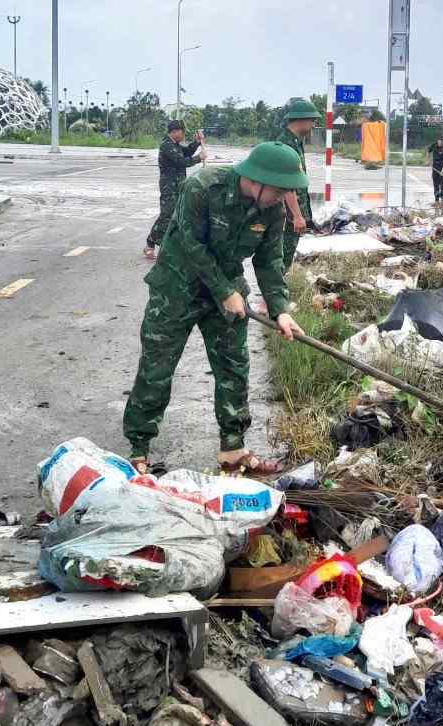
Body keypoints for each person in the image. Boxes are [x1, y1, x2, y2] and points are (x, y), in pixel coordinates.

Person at [123, 142, 307, 475]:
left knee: (234, 367)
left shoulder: (272, 209)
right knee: (157, 367)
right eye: (279, 190)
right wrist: (224, 291)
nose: (283, 198)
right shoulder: (203, 187)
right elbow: (193, 245)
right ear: (257, 180)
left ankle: (233, 449)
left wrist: (280, 309)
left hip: (227, 289)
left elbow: (269, 261)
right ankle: (138, 448)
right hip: (177, 286)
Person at [144, 120, 206, 260]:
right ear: (175, 132)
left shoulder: (175, 145)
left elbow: (186, 152)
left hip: (178, 185)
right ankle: (152, 244)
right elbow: (181, 161)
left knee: (176, 215)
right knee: (167, 214)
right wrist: (198, 158)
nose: (184, 135)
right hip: (169, 186)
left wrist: (196, 142)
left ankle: (158, 244)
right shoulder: (166, 145)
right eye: (182, 132)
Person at [276, 98, 320, 271]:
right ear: (301, 120)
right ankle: (272, 295)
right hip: (287, 216)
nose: (313, 125)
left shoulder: (295, 142)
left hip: (291, 214)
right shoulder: (287, 144)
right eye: (312, 120)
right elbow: (287, 184)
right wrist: (297, 215)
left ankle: (274, 293)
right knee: (282, 258)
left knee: (285, 256)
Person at [428, 135, 443, 203]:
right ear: (437, 140)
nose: (440, 142)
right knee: (435, 183)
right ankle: (436, 199)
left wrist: (442, 171)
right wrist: (428, 160)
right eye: (440, 140)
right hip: (435, 167)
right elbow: (428, 151)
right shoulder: (434, 145)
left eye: (442, 141)